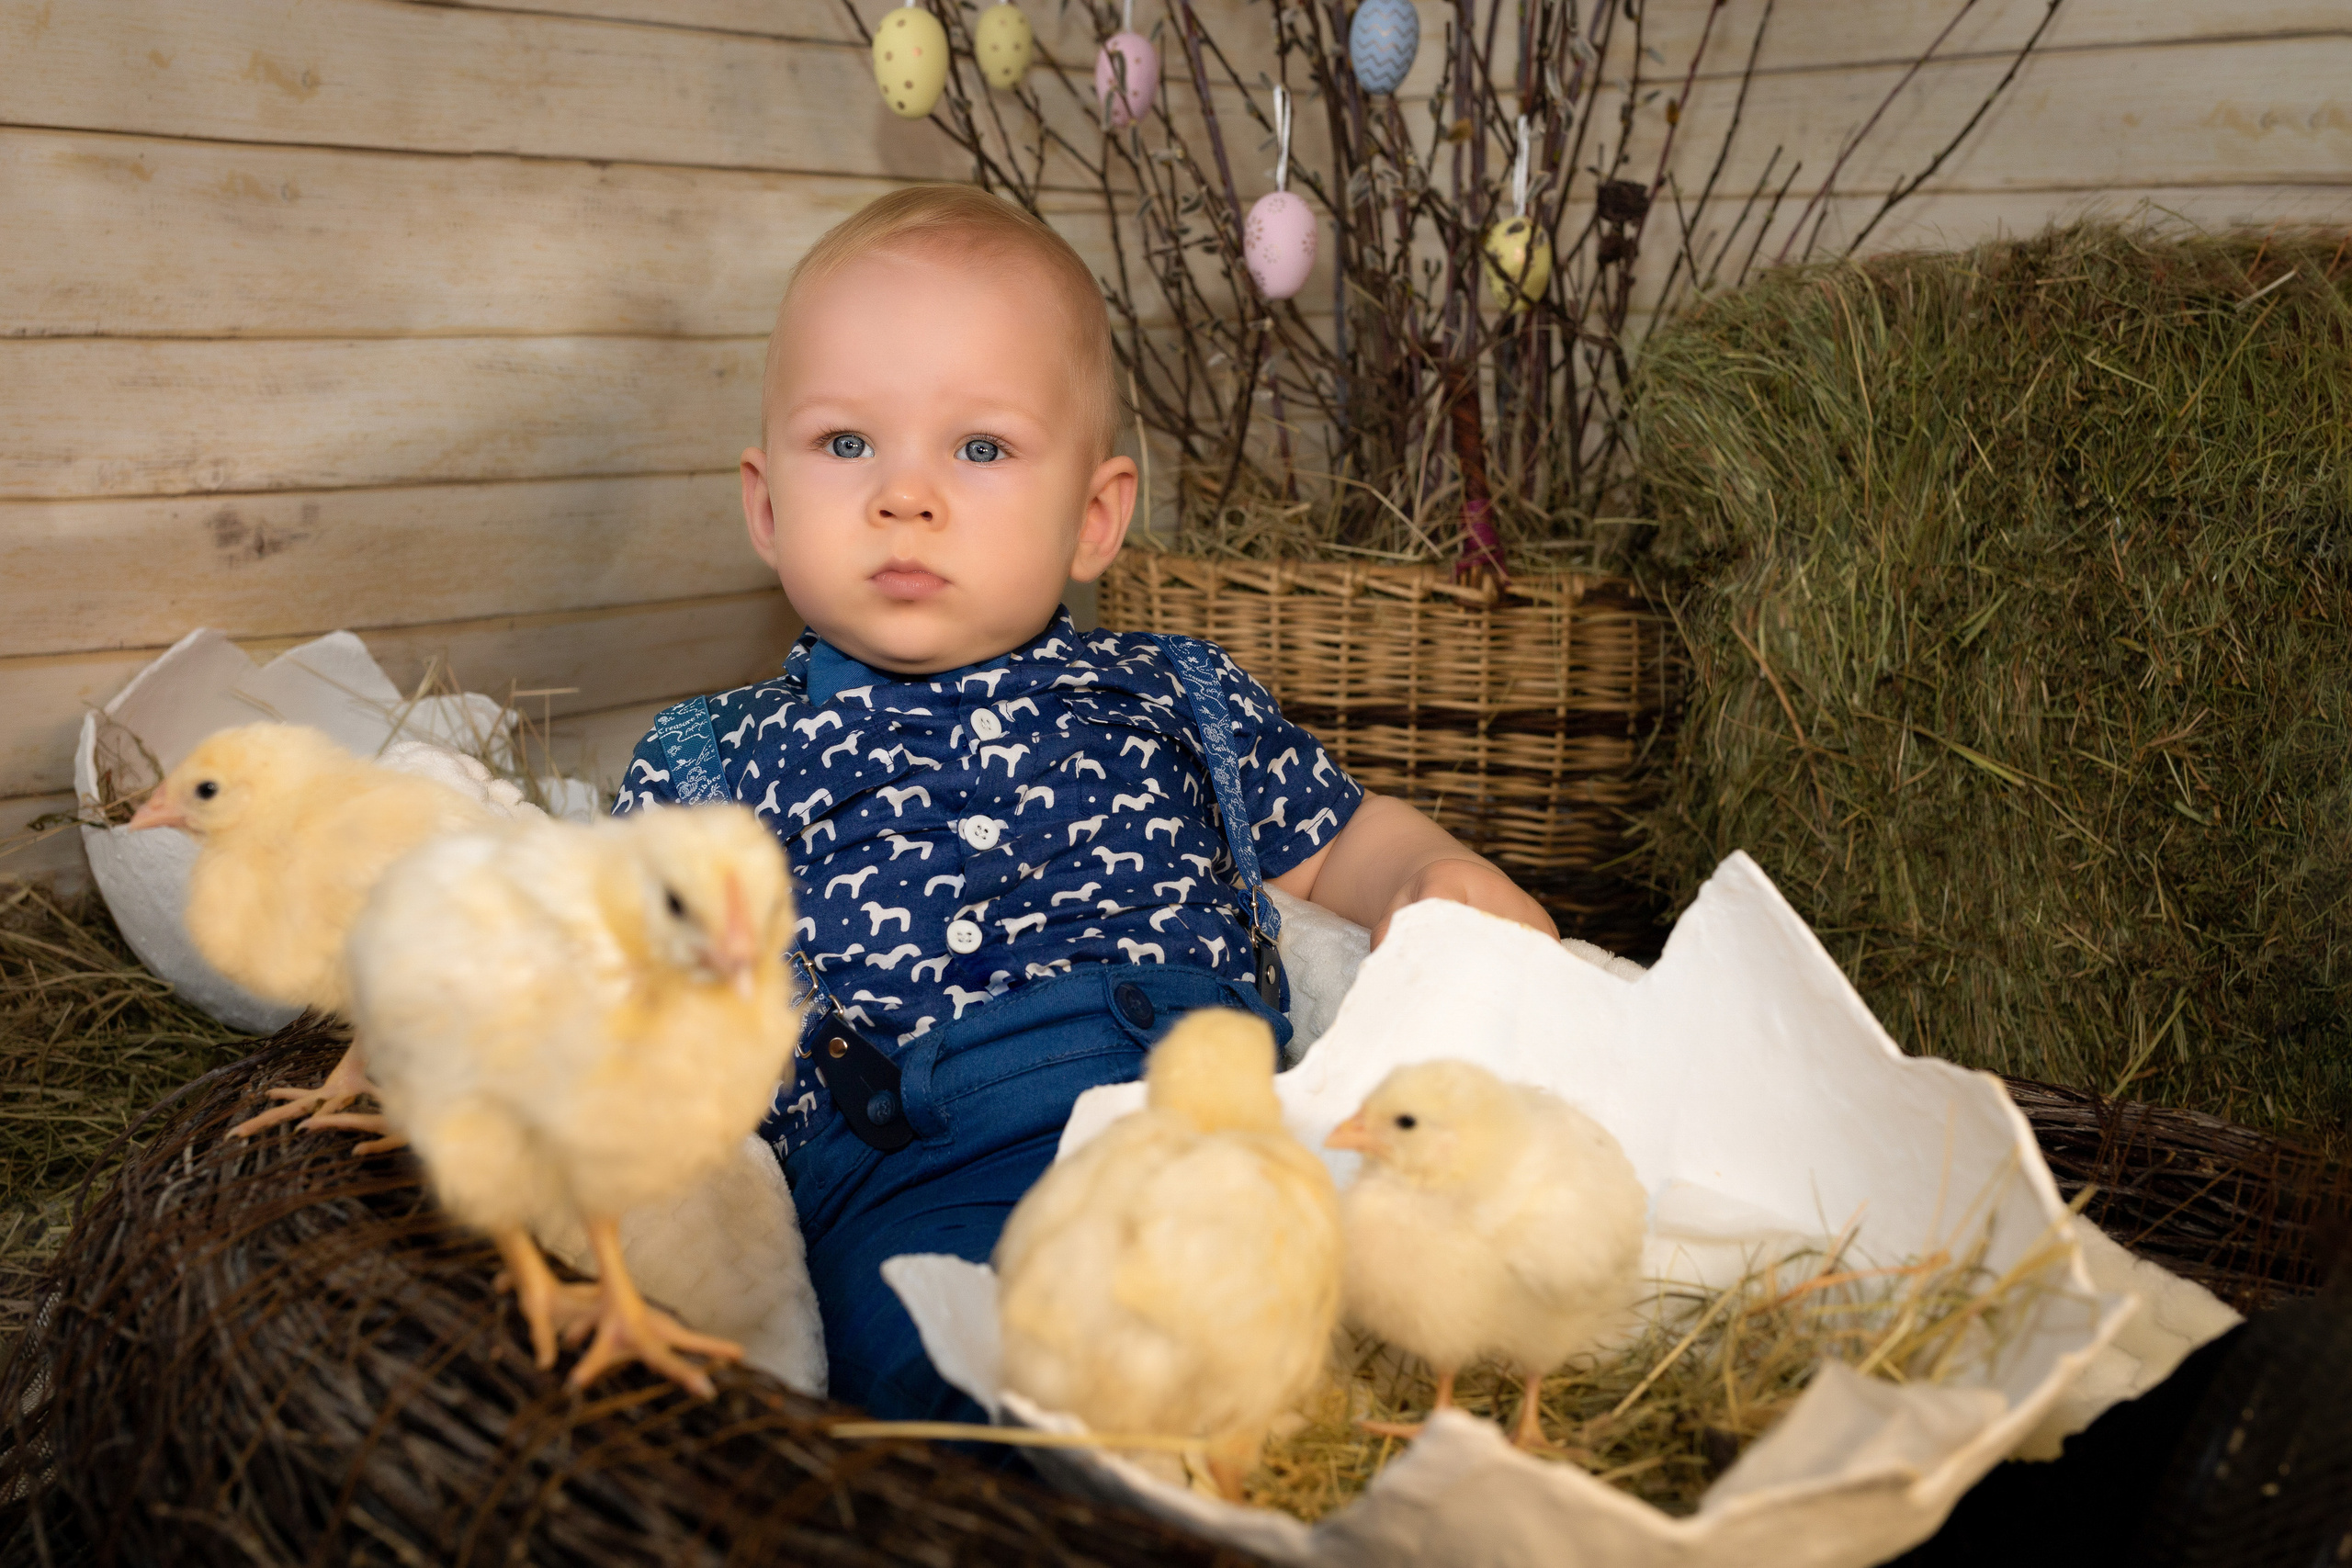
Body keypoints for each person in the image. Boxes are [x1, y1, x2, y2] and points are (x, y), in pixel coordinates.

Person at [614, 184, 1555, 1421]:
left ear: (1095, 517)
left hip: (1222, 1114)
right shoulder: (710, 760)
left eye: (981, 448)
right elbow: (598, 981)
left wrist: (1432, 875)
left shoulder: (1178, 691)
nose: (907, 495)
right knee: (977, 1384)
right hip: (932, 1165)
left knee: (1392, 1324)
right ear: (766, 503)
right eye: (847, 444)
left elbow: (1340, 846)